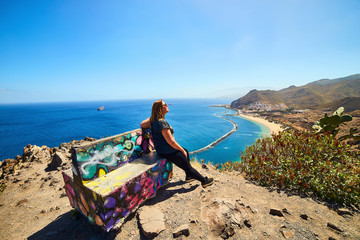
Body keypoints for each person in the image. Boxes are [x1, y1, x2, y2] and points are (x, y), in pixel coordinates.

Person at [140, 99, 214, 188]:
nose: (167, 105)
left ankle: (189, 176)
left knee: (185, 151)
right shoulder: (162, 123)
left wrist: (153, 116)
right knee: (186, 163)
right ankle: (204, 181)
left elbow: (142, 125)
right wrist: (181, 149)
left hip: (161, 149)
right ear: (160, 108)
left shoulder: (153, 121)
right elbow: (171, 141)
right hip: (167, 150)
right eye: (165, 104)